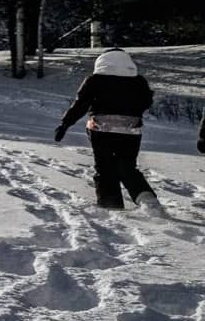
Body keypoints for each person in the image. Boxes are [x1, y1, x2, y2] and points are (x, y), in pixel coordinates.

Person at [56, 47, 162, 214]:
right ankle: (148, 201)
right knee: (127, 166)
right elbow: (146, 101)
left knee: (105, 168)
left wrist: (65, 124)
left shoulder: (94, 80)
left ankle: (111, 206)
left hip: (100, 130)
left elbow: (80, 104)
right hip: (131, 130)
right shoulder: (139, 81)